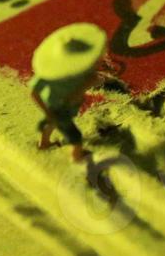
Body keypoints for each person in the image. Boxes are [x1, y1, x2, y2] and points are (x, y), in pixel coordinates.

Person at [30, 23, 114, 163]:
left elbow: (35, 91)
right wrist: (47, 111)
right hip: (61, 106)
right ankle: (77, 155)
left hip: (57, 105)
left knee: (52, 123)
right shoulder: (51, 75)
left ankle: (44, 143)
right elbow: (35, 92)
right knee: (73, 134)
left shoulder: (75, 71)